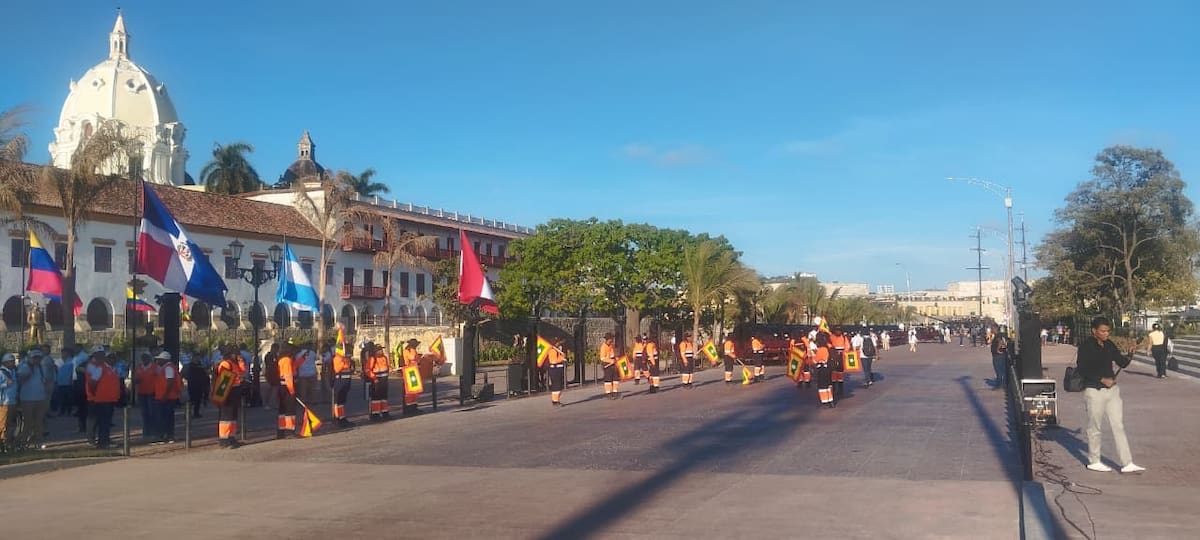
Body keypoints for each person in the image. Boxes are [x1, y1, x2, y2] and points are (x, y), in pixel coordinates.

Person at [1075, 316, 1144, 474]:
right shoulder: (1086, 346)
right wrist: (1101, 379)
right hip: (1094, 390)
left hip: (1112, 391)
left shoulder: (1109, 344)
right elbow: (1082, 368)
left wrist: (1131, 353)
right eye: (1103, 331)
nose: (1106, 334)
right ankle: (1094, 460)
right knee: (1095, 427)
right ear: (1094, 331)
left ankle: (1127, 462)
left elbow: (1122, 363)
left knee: (1118, 425)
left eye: (1108, 331)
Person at [17, 348, 54, 450]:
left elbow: (47, 381)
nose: (36, 360)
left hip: (40, 398)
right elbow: (20, 378)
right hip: (27, 399)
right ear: (30, 358)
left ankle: (39, 442)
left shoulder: (42, 368)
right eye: (34, 358)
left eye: (38, 358)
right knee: (28, 423)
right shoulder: (24, 367)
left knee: (39, 422)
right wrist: (29, 370)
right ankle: (23, 443)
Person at [85, 348, 121, 449]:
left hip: (110, 399)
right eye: (110, 358)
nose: (112, 360)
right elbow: (92, 382)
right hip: (102, 400)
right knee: (103, 421)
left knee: (106, 421)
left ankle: (105, 439)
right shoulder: (100, 368)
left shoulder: (113, 369)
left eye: (114, 358)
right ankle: (103, 442)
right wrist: (95, 393)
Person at [213, 346, 245, 449]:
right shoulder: (225, 364)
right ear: (230, 354)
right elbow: (223, 382)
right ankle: (224, 439)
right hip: (228, 392)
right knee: (226, 417)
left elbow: (243, 371)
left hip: (235, 391)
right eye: (235, 354)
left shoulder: (233, 363)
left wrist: (240, 361)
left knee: (233, 416)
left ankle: (231, 437)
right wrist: (223, 397)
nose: (237, 355)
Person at [152, 351, 180, 444]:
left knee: (163, 417)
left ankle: (164, 436)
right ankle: (168, 436)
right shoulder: (166, 367)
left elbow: (170, 382)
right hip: (166, 396)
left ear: (164, 360)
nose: (158, 361)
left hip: (166, 397)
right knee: (167, 417)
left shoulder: (168, 368)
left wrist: (165, 395)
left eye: (159, 359)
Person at [277, 344, 300, 437]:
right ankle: (290, 430)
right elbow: (288, 376)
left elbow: (294, 366)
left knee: (282, 409)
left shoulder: (284, 359)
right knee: (290, 409)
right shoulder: (287, 360)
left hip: (283, 387)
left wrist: (302, 359)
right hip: (287, 387)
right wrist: (292, 391)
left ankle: (281, 430)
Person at [134, 352, 157, 442]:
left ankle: (153, 432)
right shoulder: (139, 367)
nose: (144, 359)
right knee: (144, 414)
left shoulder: (155, 367)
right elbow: (135, 379)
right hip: (142, 393)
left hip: (152, 393)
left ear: (149, 358)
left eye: (146, 357)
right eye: (143, 357)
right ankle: (146, 432)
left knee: (152, 413)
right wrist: (136, 380)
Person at [330, 342, 355, 428]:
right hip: (340, 381)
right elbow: (338, 369)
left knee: (342, 401)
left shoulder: (346, 358)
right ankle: (338, 418)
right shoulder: (337, 358)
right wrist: (345, 361)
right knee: (338, 401)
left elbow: (349, 370)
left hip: (346, 381)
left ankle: (342, 417)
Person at [365, 343, 391, 421]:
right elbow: (368, 370)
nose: (381, 351)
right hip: (376, 380)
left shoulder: (384, 358)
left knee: (384, 397)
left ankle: (384, 412)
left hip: (384, 379)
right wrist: (374, 378)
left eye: (381, 350)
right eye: (379, 350)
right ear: (375, 351)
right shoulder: (372, 358)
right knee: (376, 397)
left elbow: (386, 367)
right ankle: (375, 414)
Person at [1, 353, 18, 452]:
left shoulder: (13, 372)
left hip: (12, 401)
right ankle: (2, 443)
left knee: (11, 423)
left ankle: (8, 442)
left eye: (13, 361)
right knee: (3, 423)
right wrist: (5, 384)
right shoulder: (1, 372)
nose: (13, 363)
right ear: (5, 362)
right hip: (4, 402)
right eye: (11, 362)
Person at [184, 350, 209, 418]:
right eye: (196, 357)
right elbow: (186, 375)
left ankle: (196, 413)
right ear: (193, 357)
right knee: (192, 400)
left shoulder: (200, 364)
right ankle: (188, 413)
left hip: (200, 385)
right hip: (192, 385)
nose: (197, 358)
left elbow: (205, 374)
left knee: (198, 400)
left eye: (198, 357)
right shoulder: (190, 366)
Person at [401, 339, 422, 415]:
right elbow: (412, 357)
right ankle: (408, 408)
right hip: (409, 371)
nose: (416, 346)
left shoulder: (413, 350)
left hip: (415, 371)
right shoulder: (407, 350)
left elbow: (417, 360)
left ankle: (414, 406)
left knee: (415, 391)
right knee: (409, 391)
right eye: (415, 345)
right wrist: (413, 351)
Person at [547, 337, 567, 407]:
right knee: (556, 386)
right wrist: (562, 358)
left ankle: (556, 400)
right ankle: (555, 401)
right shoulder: (553, 350)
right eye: (559, 342)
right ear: (556, 343)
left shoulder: (557, 350)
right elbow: (553, 361)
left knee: (558, 386)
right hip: (555, 370)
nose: (560, 343)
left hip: (558, 369)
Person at [600, 333, 620, 399]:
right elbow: (602, 358)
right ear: (607, 339)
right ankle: (608, 393)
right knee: (608, 379)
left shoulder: (611, 346)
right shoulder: (603, 347)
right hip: (607, 365)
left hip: (613, 364)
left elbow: (613, 354)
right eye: (611, 339)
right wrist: (611, 361)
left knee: (615, 379)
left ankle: (615, 392)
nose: (612, 341)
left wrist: (615, 358)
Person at [263, 343, 280, 410]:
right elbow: (269, 364)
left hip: (275, 374)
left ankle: (274, 403)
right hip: (270, 374)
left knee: (275, 389)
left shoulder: (275, 355)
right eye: (276, 349)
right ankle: (267, 403)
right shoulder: (269, 355)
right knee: (269, 389)